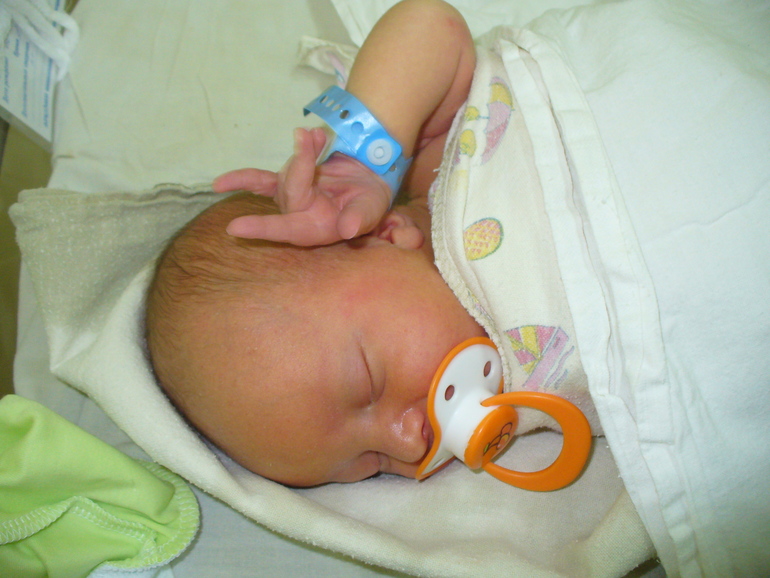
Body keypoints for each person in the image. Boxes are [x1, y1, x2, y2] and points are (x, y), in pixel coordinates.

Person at [146, 0, 485, 486]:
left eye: (371, 384)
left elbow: (432, 27)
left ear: (385, 234)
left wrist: (363, 164)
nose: (409, 442)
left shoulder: (447, 176)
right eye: (371, 463)